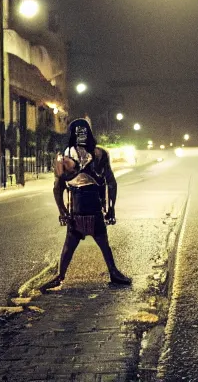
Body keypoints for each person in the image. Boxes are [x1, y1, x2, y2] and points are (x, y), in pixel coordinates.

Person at [41, 118, 131, 291]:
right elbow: (58, 187)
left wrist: (63, 211)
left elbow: (58, 187)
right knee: (81, 244)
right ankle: (110, 272)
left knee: (82, 244)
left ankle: (63, 276)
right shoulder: (77, 157)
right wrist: (111, 208)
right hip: (83, 208)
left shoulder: (91, 155)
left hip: (85, 208)